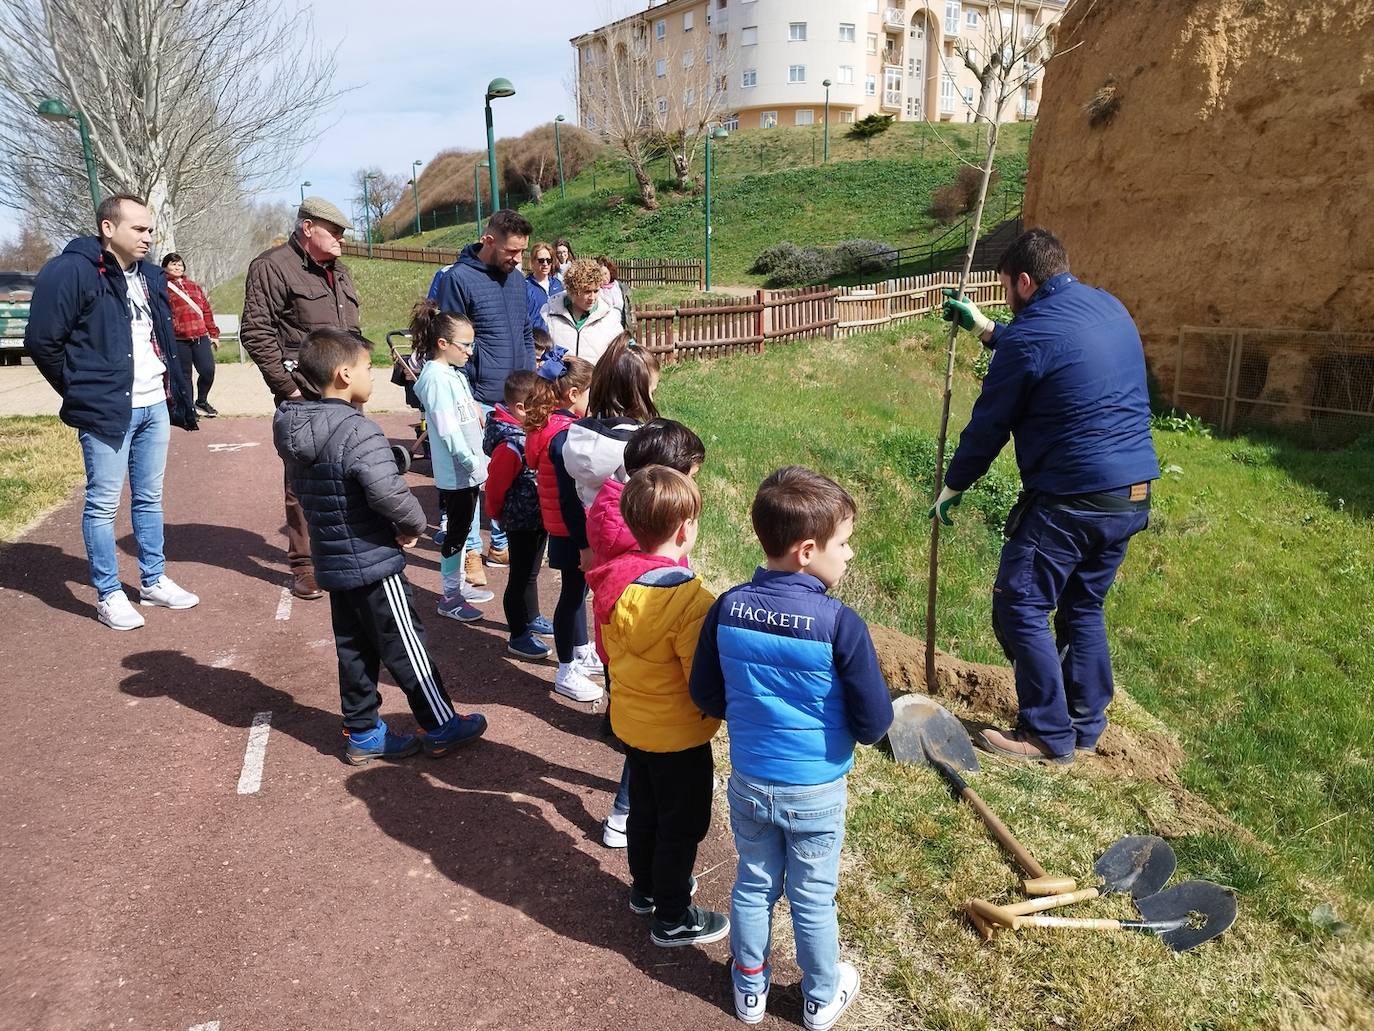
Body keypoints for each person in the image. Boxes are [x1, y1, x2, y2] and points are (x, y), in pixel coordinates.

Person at [934, 227, 1160, 764]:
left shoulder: (1033, 335)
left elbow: (991, 422)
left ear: (1027, 281)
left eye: (1006, 286)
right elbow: (1049, 348)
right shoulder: (1107, 305)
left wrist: (954, 484)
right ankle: (1085, 725)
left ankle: (1045, 735)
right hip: (1132, 492)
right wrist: (988, 330)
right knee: (1082, 605)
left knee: (1021, 603)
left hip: (1071, 497)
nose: (1005, 295)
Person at [689, 466, 893, 1030]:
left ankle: (749, 986)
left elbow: (705, 693)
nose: (849, 555)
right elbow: (875, 722)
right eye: (844, 544)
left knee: (754, 880)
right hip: (816, 791)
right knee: (812, 895)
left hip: (751, 780)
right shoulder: (839, 624)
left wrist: (755, 712)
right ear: (807, 551)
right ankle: (820, 997)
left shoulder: (726, 608)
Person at [273, 327, 488, 765]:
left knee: (354, 646)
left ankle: (363, 730)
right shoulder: (357, 429)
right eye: (369, 368)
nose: (375, 375)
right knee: (405, 643)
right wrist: (411, 524)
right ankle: (441, 723)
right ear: (344, 375)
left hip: (332, 557)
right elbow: (389, 493)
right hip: (372, 558)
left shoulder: (292, 425)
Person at [25, 193, 200, 631]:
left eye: (150, 229)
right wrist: (81, 390)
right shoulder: (71, 271)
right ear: (108, 227)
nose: (148, 237)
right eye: (139, 229)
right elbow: (43, 342)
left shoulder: (150, 276)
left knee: (149, 497)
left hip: (153, 404)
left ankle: (154, 580)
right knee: (103, 504)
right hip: (106, 410)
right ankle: (108, 593)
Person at [585, 466, 727, 949]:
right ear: (686, 528)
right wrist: (722, 710)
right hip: (680, 736)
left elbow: (606, 654)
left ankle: (644, 890)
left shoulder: (611, 584)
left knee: (644, 812)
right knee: (681, 827)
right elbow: (702, 682)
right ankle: (672, 916)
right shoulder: (692, 601)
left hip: (633, 726)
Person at [585, 419, 706, 850]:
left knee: (635, 726)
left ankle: (631, 824)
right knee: (650, 740)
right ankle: (623, 814)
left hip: (621, 643)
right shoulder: (654, 562)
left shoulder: (613, 507)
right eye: (689, 478)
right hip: (653, 652)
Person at [241, 195, 361, 602]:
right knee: (303, 481)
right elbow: (256, 333)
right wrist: (288, 389)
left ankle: (344, 554)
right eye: (336, 232)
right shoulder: (272, 267)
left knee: (350, 474)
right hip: (304, 398)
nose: (342, 240)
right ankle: (305, 564)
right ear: (308, 228)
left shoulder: (340, 272)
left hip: (347, 397)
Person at [550, 335, 663, 698]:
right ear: (639, 391)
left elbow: (568, 494)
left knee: (606, 620)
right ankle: (628, 706)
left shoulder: (576, 435)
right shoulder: (638, 443)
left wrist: (582, 543)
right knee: (633, 625)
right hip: (631, 546)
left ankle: (614, 702)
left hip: (593, 538)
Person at [429, 209, 537, 586]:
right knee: (474, 476)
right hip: (479, 397)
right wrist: (466, 395)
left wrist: (531, 384)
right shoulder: (458, 279)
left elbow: (526, 332)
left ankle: (500, 542)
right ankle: (472, 551)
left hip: (517, 400)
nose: (517, 259)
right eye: (511, 251)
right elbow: (453, 345)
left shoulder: (519, 280)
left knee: (511, 474)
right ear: (488, 240)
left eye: (522, 251)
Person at [408, 300, 495, 623]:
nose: (471, 351)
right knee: (456, 534)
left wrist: (475, 413)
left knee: (462, 529)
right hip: (458, 473)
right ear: (443, 344)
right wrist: (472, 463)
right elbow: (446, 431)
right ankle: (449, 596)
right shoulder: (435, 378)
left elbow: (463, 410)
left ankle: (457, 586)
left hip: (470, 469)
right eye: (466, 345)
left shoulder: (452, 373)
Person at [524, 348, 599, 702]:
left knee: (576, 592)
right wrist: (585, 543)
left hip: (560, 524)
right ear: (573, 395)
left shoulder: (546, 425)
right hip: (572, 529)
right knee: (571, 596)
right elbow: (571, 494)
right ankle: (566, 668)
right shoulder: (567, 435)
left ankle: (581, 650)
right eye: (589, 392)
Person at [483, 369, 554, 659]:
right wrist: (497, 513)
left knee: (532, 572)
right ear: (521, 408)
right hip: (520, 521)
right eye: (543, 407)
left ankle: (532, 616)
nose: (548, 413)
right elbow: (495, 487)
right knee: (520, 576)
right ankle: (518, 633)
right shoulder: (510, 445)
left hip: (538, 516)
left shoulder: (531, 433)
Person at [160, 253, 221, 418]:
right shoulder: (162, 287)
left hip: (200, 336)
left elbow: (206, 310)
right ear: (165, 267)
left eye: (180, 264)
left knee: (208, 371)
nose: (177, 267)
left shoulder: (194, 286)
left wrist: (213, 333)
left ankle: (201, 400)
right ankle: (189, 408)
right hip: (178, 338)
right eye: (173, 264)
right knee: (185, 375)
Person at [546, 258, 623, 365]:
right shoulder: (549, 313)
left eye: (596, 291)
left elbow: (622, 355)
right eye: (587, 291)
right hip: (559, 381)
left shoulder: (610, 317)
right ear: (573, 290)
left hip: (596, 380)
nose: (592, 297)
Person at [526, 241, 564, 335]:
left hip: (558, 336)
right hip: (538, 339)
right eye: (541, 260)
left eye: (549, 260)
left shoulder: (557, 284)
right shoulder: (526, 286)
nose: (545, 264)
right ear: (533, 262)